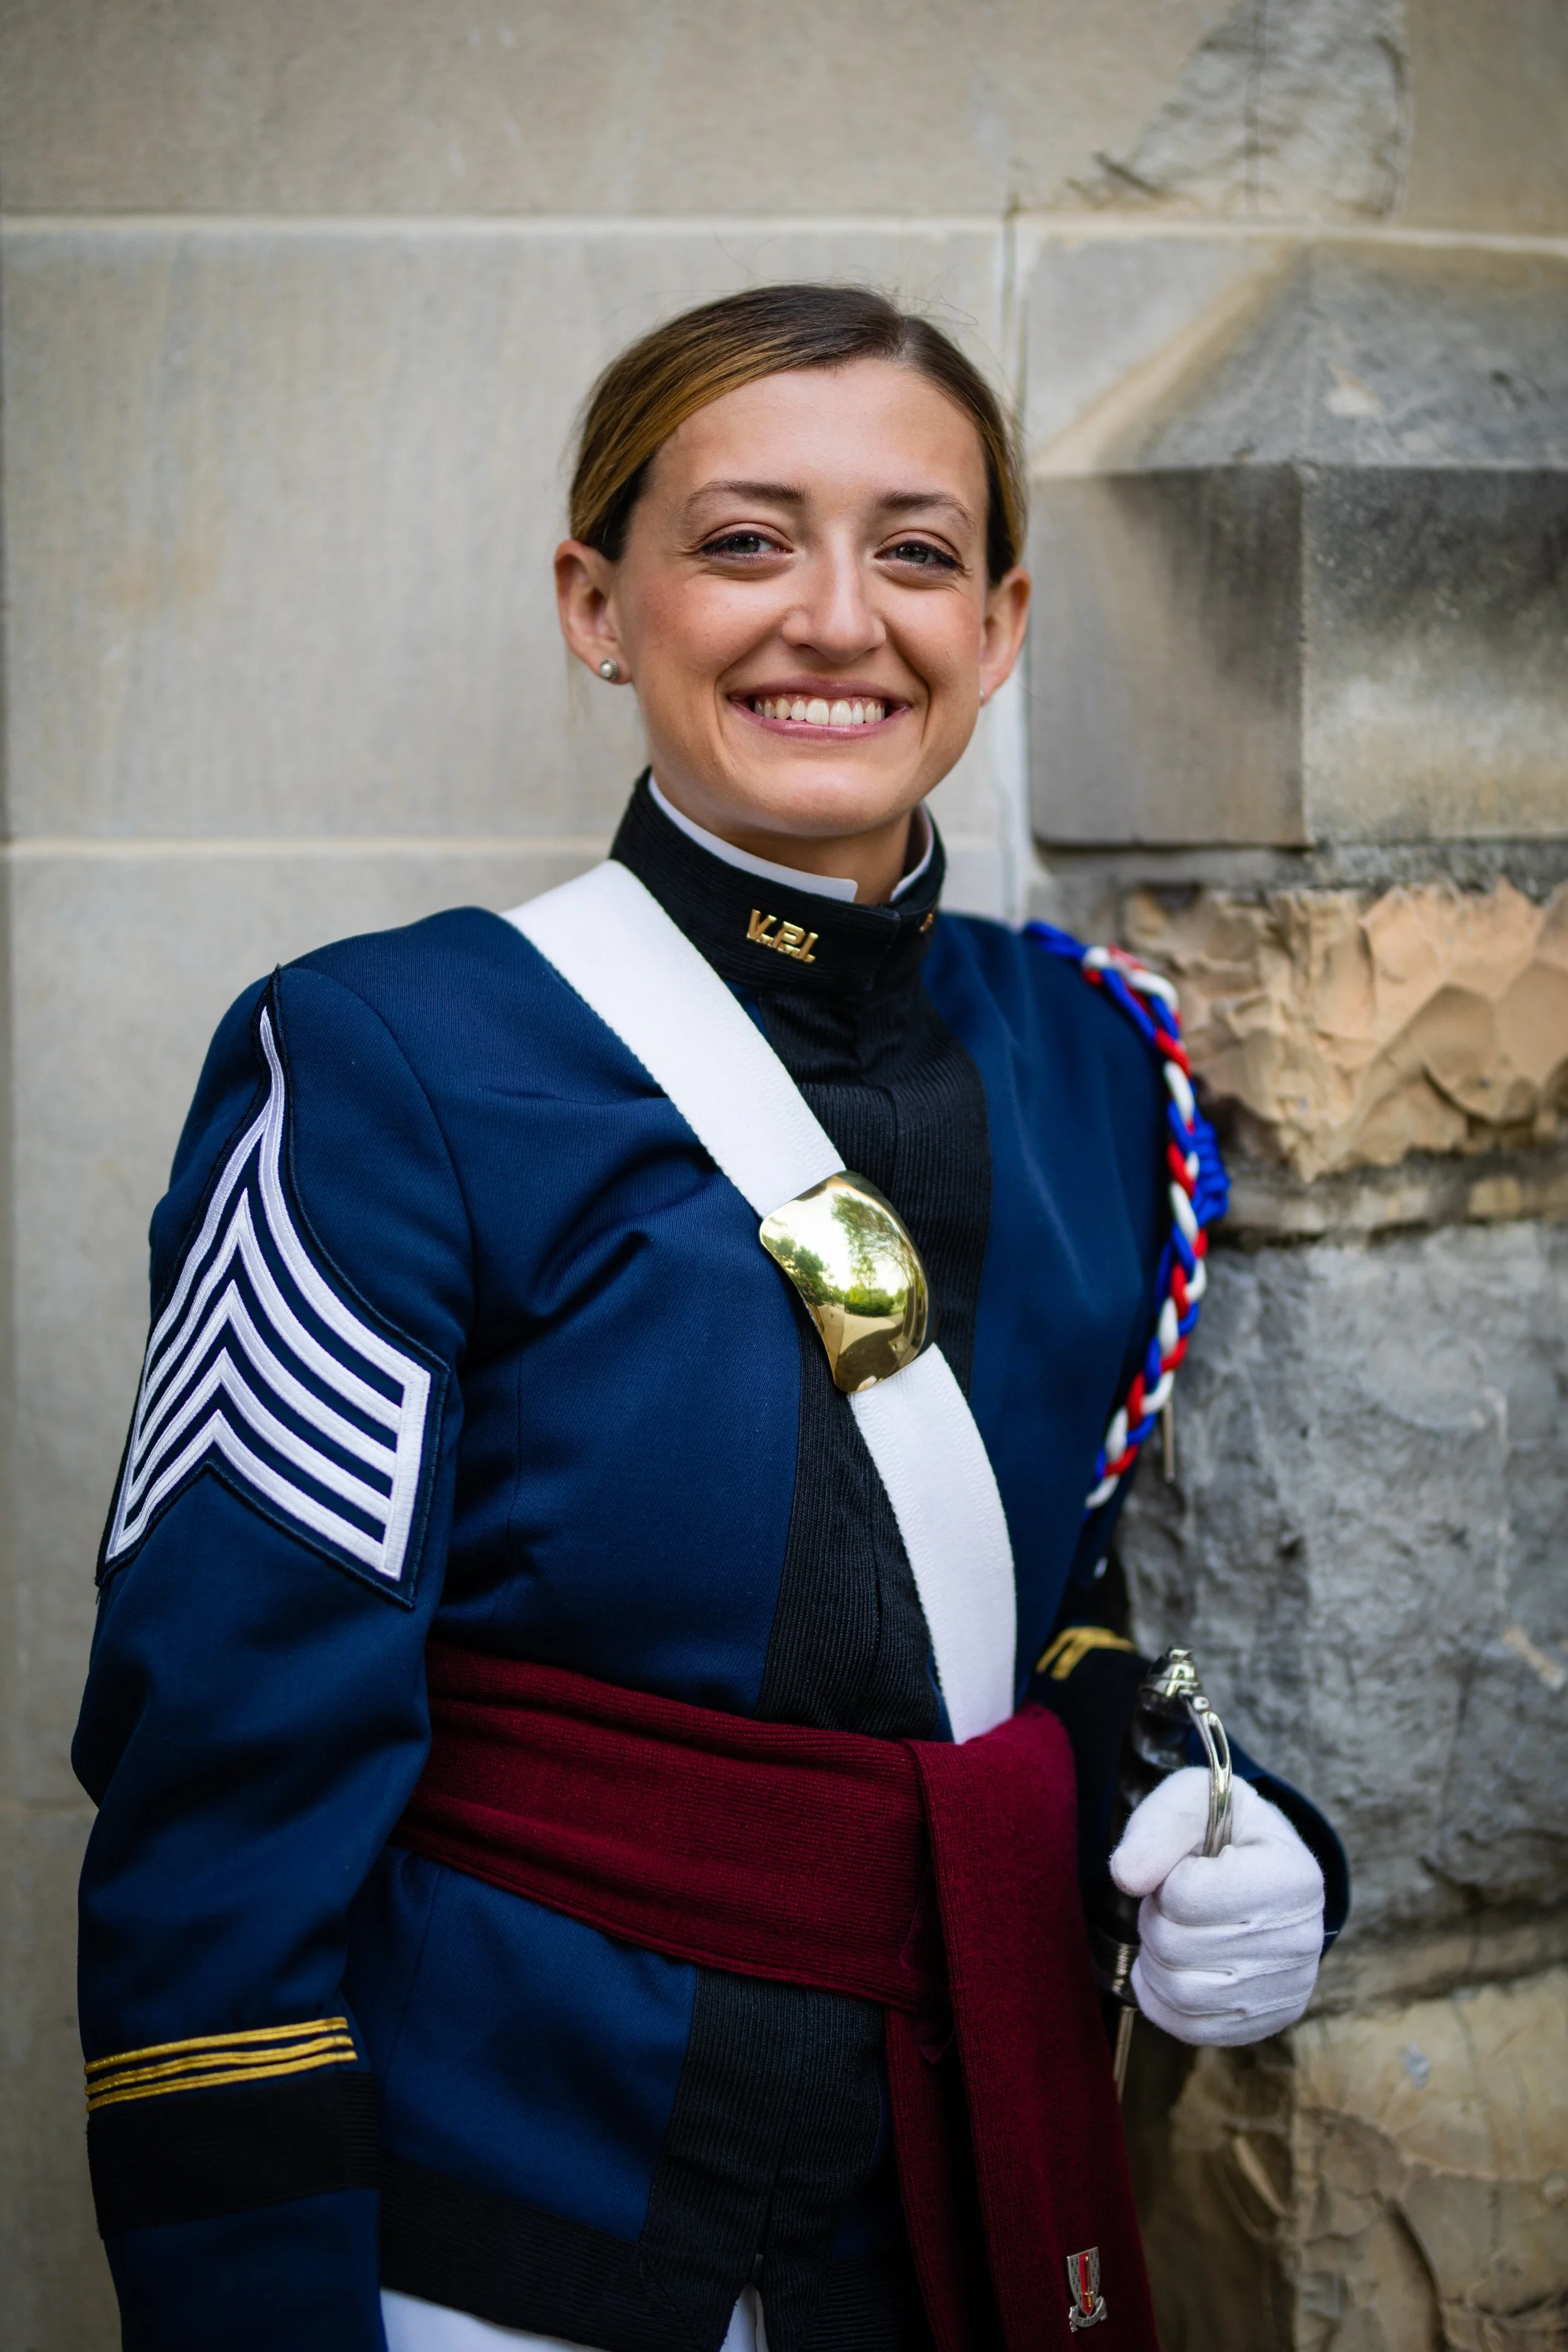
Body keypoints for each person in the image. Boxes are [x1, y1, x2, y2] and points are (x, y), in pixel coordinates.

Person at [74, 285, 1342, 2352]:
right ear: (598, 600)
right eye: (746, 539)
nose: (836, 617)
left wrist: (1198, 1808)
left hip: (954, 2213)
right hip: (504, 2233)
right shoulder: (393, 1057)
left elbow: (1036, 1598)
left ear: (999, 627)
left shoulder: (1097, 1067)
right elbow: (221, 1797)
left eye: (914, 550)